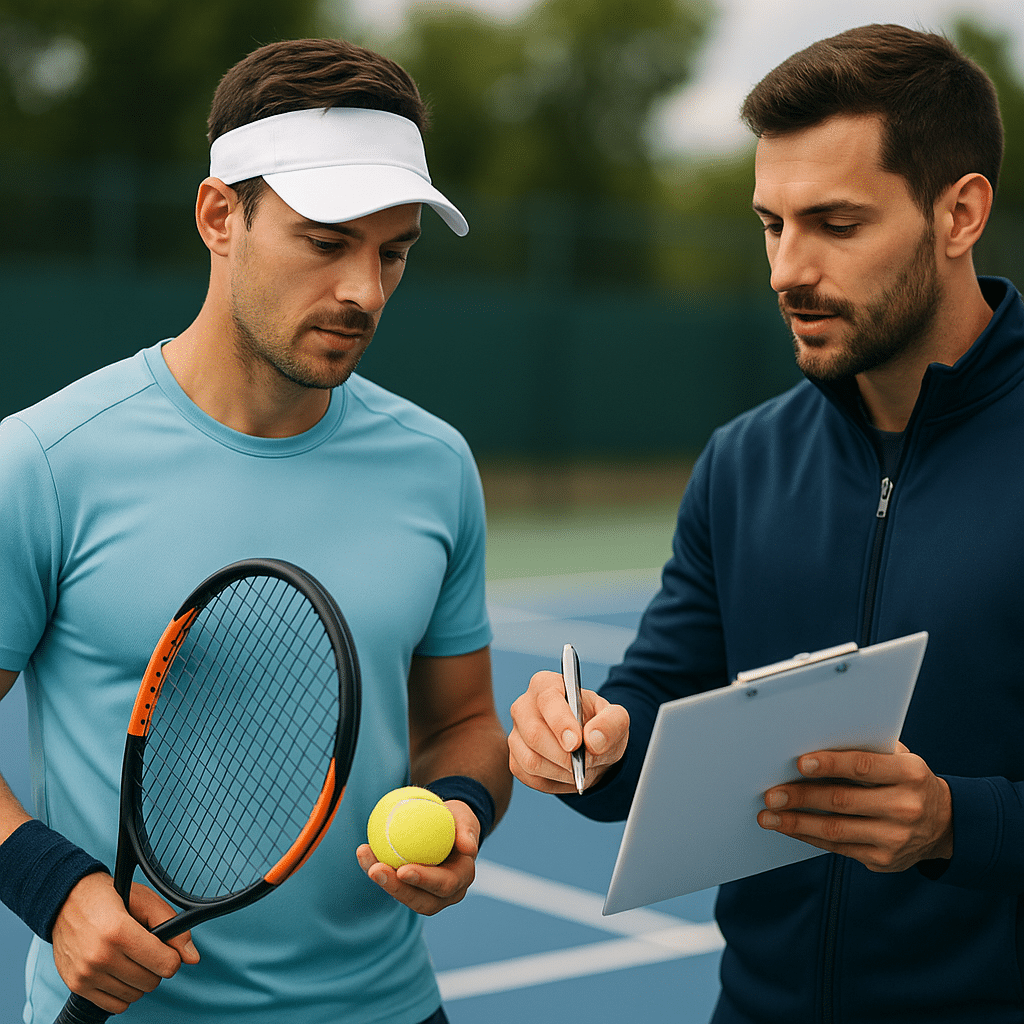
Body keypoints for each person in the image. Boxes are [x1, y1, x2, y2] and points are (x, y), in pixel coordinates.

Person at [508, 23, 1024, 1023]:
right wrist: (594, 743)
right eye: (770, 224)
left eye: (834, 223)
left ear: (958, 213)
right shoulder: (742, 460)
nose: (787, 268)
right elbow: (652, 713)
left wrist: (958, 821)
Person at [0, 37, 512, 1024]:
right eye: (327, 242)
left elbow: (462, 723)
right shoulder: (46, 461)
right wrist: (52, 887)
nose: (364, 289)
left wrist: (461, 809)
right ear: (219, 215)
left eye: (392, 251)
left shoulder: (436, 464)